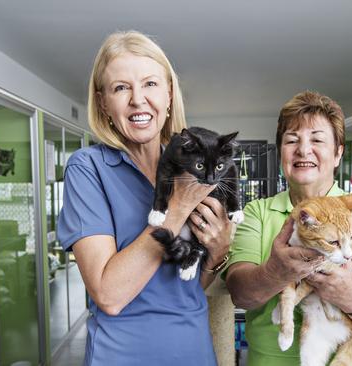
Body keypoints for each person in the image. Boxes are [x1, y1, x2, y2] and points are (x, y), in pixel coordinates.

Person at [57, 31, 232, 366]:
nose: (138, 99)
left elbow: (189, 285)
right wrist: (177, 207)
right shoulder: (89, 168)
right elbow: (109, 295)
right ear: (104, 102)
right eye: (121, 87)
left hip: (194, 352)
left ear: (169, 95)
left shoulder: (192, 167)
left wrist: (218, 252)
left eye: (150, 84)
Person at [225, 91, 352, 365]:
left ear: (337, 153)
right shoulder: (258, 214)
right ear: (281, 154)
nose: (303, 150)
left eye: (317, 140)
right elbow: (240, 295)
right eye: (292, 140)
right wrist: (276, 271)